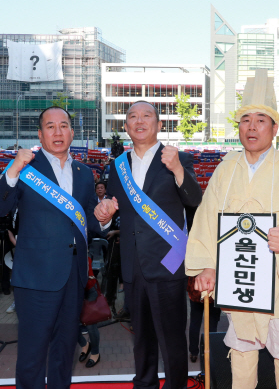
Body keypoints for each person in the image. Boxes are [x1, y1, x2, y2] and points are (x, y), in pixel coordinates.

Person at [185, 69, 279, 389]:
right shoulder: (226, 168)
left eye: (261, 120)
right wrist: (207, 265)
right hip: (239, 275)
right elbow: (206, 219)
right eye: (246, 119)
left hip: (277, 279)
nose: (252, 127)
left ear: (274, 128)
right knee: (241, 345)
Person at [95, 100, 202, 389]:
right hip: (132, 265)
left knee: (172, 339)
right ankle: (144, 384)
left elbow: (195, 200)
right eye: (132, 116)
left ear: (158, 125)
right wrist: (104, 215)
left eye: (146, 116)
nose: (139, 121)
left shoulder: (177, 158)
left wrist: (178, 169)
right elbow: (114, 209)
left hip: (168, 263)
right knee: (141, 338)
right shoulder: (118, 166)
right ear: (126, 126)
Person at [0, 106, 101, 389]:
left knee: (64, 350)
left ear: (72, 132)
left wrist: (103, 215)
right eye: (50, 126)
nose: (58, 132)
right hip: (36, 276)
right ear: (40, 134)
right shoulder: (26, 168)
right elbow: (0, 207)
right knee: (32, 353)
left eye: (63, 125)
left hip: (73, 276)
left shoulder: (85, 173)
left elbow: (88, 220)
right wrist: (14, 168)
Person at [77, 257, 101, 368]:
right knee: (69, 323)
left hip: (88, 288)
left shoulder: (81, 247)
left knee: (91, 326)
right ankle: (85, 345)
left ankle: (95, 353)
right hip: (73, 291)